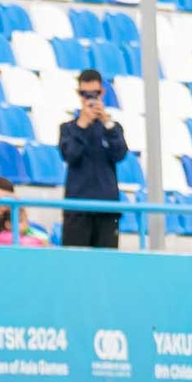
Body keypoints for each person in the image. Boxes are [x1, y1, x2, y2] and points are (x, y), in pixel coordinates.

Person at [57, 68, 128, 249]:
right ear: (79, 94)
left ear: (102, 93)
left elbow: (120, 153)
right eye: (85, 94)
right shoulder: (68, 129)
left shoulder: (112, 128)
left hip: (107, 209)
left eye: (94, 94)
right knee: (75, 262)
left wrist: (107, 123)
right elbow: (70, 155)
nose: (89, 99)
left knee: (106, 263)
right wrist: (82, 125)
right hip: (77, 209)